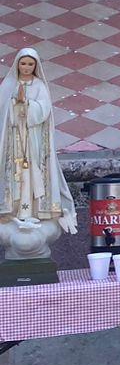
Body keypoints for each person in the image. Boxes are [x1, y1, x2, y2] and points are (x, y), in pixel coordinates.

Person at [0, 49, 77, 258]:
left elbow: (43, 111)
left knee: (33, 175)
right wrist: (14, 103)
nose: (26, 68)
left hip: (33, 140)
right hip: (14, 140)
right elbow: (2, 113)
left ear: (35, 66)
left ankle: (33, 212)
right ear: (17, 64)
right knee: (15, 176)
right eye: (23, 63)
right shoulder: (8, 86)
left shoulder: (40, 86)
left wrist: (28, 104)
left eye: (30, 64)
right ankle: (16, 211)